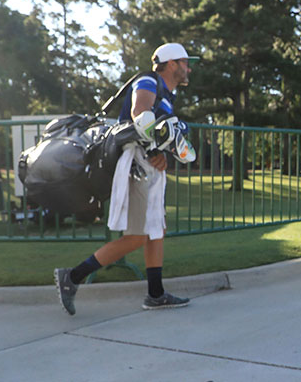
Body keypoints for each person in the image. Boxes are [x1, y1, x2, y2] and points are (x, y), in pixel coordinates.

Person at [54, 42, 198, 315]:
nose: (188, 68)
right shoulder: (148, 80)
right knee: (136, 236)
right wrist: (154, 149)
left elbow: (157, 134)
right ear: (171, 64)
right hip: (136, 166)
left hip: (149, 166)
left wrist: (161, 154)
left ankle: (155, 294)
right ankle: (72, 277)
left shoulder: (168, 94)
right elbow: (139, 114)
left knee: (156, 230)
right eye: (185, 62)